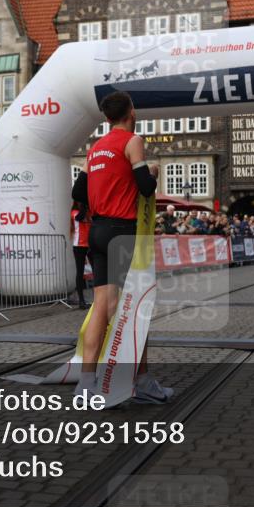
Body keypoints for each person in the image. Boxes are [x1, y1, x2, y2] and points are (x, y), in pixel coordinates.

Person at [71, 90, 170, 403]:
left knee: (103, 305)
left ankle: (86, 383)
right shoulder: (132, 140)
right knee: (136, 306)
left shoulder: (95, 148)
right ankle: (141, 382)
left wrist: (107, 189)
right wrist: (151, 172)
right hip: (122, 232)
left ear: (106, 117)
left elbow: (78, 190)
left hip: (97, 231)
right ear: (131, 111)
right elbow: (145, 186)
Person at [69, 201, 91, 309]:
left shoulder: (88, 213)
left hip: (90, 244)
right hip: (79, 245)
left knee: (97, 270)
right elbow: (79, 217)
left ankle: (98, 299)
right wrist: (85, 204)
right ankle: (81, 301)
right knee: (80, 272)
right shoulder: (74, 212)